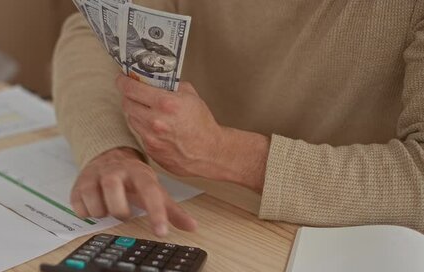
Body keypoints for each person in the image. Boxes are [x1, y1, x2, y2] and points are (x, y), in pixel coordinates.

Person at [53, 0, 424, 236]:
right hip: (203, 211)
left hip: (344, 241)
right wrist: (110, 149)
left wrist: (228, 154)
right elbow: (92, 33)